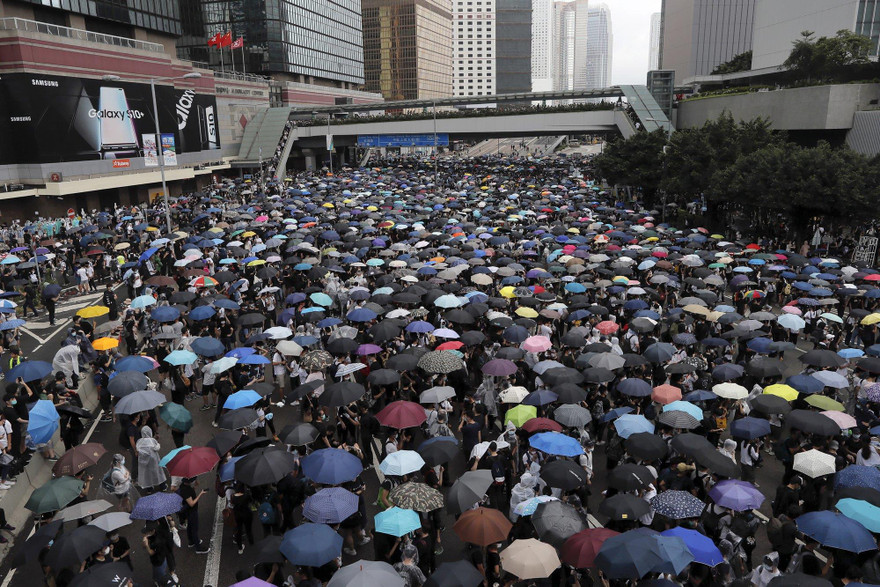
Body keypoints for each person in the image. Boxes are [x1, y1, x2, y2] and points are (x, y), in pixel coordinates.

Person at [176, 477, 211, 553]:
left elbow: (189, 495)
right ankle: (198, 548)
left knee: (190, 526)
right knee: (194, 529)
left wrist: (195, 487)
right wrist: (200, 494)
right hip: (192, 511)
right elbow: (191, 503)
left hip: (188, 512)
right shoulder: (186, 490)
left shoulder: (183, 486)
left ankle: (191, 541)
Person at [136, 426, 167, 493]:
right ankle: (163, 486)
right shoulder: (152, 440)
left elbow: (138, 449)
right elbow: (157, 448)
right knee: (158, 472)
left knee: (147, 475)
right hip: (153, 461)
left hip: (144, 462)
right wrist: (158, 443)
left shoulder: (139, 441)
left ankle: (150, 489)